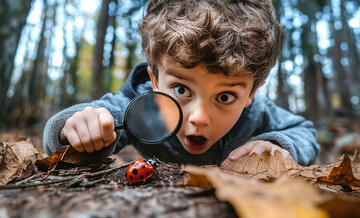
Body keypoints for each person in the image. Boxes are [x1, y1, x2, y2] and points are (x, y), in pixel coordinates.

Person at [43, 0, 320, 166]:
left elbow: (303, 129)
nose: (199, 118)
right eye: (181, 90)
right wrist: (74, 129)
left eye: (225, 97)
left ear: (251, 94)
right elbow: (69, 132)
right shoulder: (140, 108)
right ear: (155, 80)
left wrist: (278, 145)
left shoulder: (256, 110)